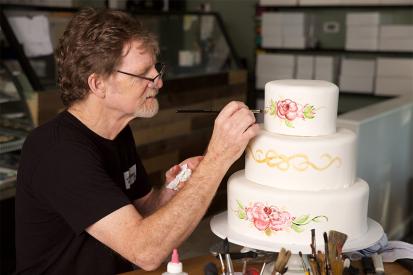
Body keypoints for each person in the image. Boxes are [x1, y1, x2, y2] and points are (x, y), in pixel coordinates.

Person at [15, 8, 259, 275]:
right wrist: (217, 159)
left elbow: (140, 210)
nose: (159, 82)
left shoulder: (117, 132)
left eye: (156, 68)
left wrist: (173, 190)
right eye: (144, 74)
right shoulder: (58, 151)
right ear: (98, 84)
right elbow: (145, 251)